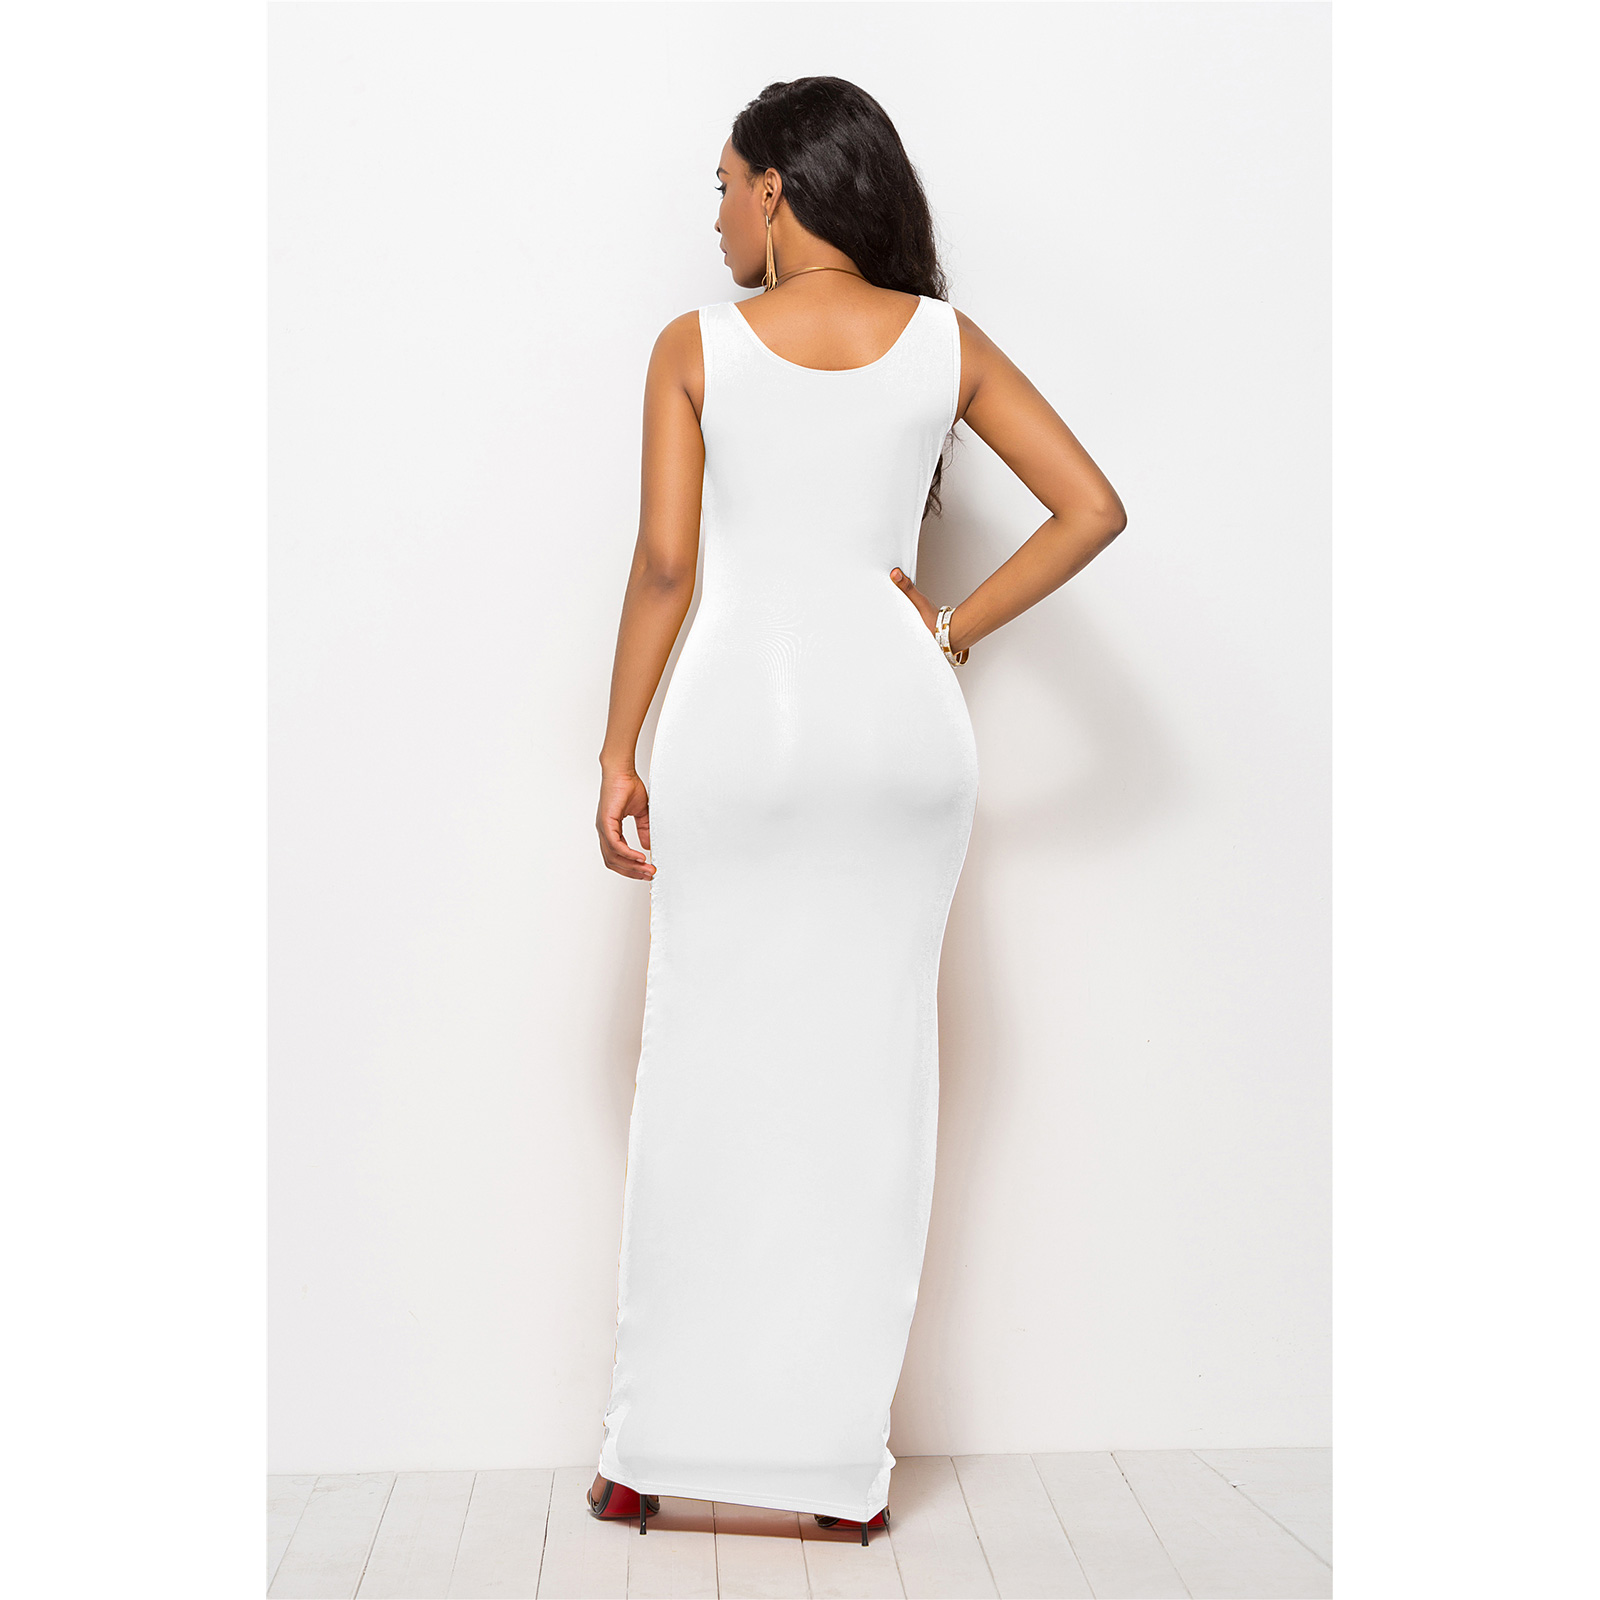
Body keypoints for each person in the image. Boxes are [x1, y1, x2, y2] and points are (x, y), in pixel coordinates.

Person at [587, 77, 1126, 1542]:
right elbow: (1092, 506)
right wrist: (945, 630)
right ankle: (837, 1478)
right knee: (871, 1090)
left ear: (778, 187)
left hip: (745, 737)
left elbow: (666, 565)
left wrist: (618, 749)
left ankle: (654, 1454)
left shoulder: (696, 347)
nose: (714, 216)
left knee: (707, 1077)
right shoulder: (946, 343)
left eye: (722, 186)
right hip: (903, 738)